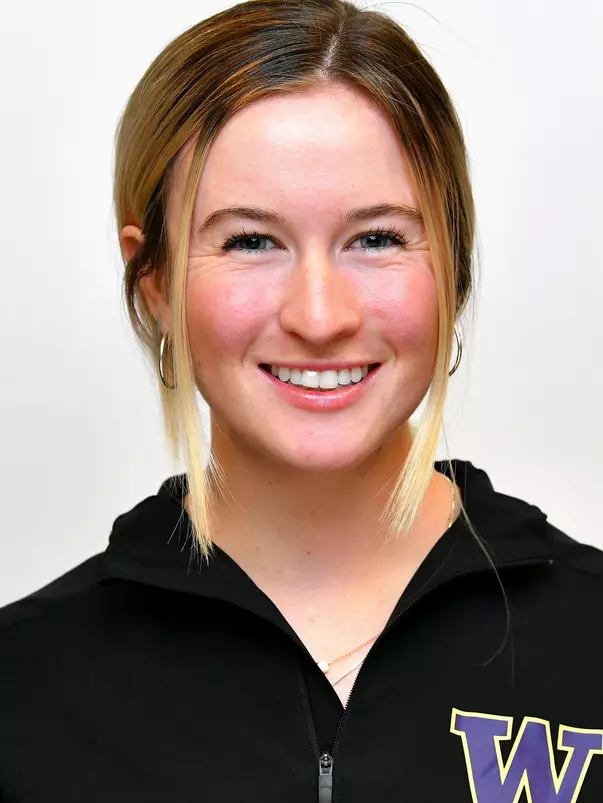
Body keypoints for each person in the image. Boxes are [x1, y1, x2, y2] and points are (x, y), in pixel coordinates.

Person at [1, 0, 603, 800]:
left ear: (452, 267)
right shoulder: (24, 689)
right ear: (154, 283)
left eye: (377, 238)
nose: (319, 316)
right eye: (250, 240)